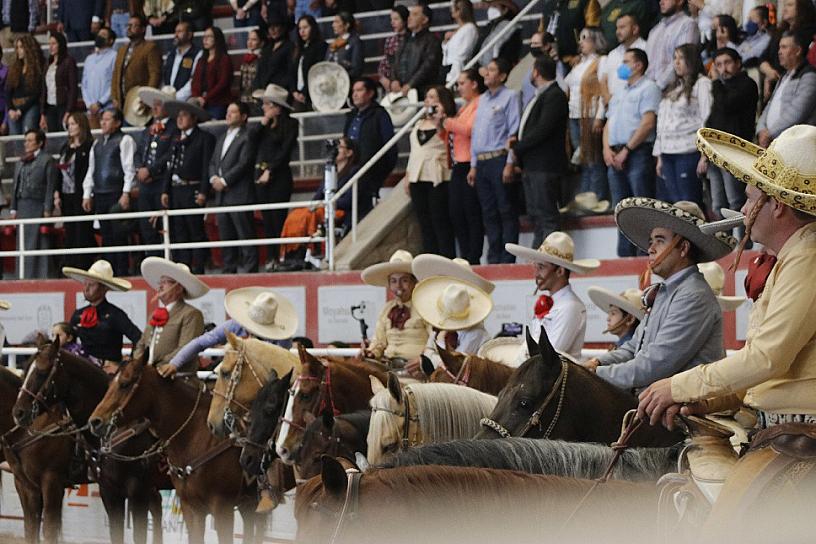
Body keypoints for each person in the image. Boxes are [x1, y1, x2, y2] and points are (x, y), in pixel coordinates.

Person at [640, 124, 816, 435]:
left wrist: (679, 387)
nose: (744, 210)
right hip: (783, 429)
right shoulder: (795, 256)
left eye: (750, 199)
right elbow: (768, 368)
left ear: (777, 206)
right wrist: (708, 400)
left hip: (797, 434)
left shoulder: (807, 257)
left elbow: (767, 359)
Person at [582, 198, 736, 392]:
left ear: (683, 248)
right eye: (651, 241)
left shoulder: (693, 296)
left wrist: (596, 374)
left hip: (686, 411)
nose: (650, 249)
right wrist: (597, 362)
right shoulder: (667, 291)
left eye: (660, 241)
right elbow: (634, 348)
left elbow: (656, 364)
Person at [602, 48, 661, 256]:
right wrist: (606, 149)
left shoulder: (649, 88)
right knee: (620, 210)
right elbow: (608, 122)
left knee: (640, 207)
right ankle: (625, 256)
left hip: (637, 153)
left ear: (638, 65)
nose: (622, 66)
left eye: (626, 62)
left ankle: (645, 254)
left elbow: (647, 123)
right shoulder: (620, 91)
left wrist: (627, 149)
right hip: (615, 153)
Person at [506, 232, 600, 361]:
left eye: (541, 267)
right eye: (536, 267)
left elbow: (549, 355)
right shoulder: (558, 304)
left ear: (560, 271)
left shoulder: (570, 307)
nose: (536, 273)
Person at [163, 287, 297, 378]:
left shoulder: (282, 338)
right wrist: (175, 363)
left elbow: (280, 364)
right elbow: (199, 342)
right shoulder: (235, 325)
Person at [509, 56, 568, 249]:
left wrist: (518, 146)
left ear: (536, 72)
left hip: (545, 165)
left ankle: (551, 257)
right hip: (533, 165)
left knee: (547, 216)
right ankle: (538, 257)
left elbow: (543, 129)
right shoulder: (540, 96)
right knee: (537, 216)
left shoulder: (555, 95)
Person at [468, 57, 521, 264]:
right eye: (486, 70)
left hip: (499, 158)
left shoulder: (510, 97)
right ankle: (494, 257)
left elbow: (513, 131)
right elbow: (476, 134)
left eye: (492, 70)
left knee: (505, 209)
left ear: (502, 75)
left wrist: (510, 162)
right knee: (488, 211)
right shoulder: (482, 100)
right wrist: (473, 165)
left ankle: (507, 258)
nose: (487, 74)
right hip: (481, 162)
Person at [410, 255, 494, 372]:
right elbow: (428, 349)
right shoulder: (442, 324)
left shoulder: (476, 333)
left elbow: (453, 366)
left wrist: (431, 359)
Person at [653, 43, 712, 205]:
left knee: (689, 204)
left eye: (681, 58)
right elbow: (662, 123)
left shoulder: (702, 84)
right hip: (667, 153)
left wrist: (705, 155)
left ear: (692, 60)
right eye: (675, 58)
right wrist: (659, 156)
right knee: (673, 205)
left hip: (688, 151)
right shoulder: (673, 87)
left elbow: (707, 119)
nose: (676, 63)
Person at [161, 99, 215, 274]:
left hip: (193, 188)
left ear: (193, 118)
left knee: (195, 230)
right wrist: (165, 190)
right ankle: (183, 267)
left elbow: (207, 166)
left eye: (184, 115)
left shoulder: (204, 138)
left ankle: (198, 267)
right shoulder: (176, 139)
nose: (179, 119)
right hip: (176, 190)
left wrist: (204, 191)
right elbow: (171, 165)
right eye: (178, 116)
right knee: (179, 230)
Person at [705, 47, 758, 224]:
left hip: (734, 152)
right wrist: (704, 152)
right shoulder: (722, 87)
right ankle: (724, 243)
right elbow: (712, 120)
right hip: (714, 152)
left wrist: (715, 82)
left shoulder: (747, 84)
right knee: (718, 203)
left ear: (738, 63)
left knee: (736, 202)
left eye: (727, 63)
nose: (723, 68)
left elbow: (727, 104)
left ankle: (743, 243)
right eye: (718, 65)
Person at [81, 108, 136, 277]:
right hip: (100, 193)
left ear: (118, 122)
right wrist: (87, 193)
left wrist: (126, 192)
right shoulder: (97, 144)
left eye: (107, 119)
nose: (103, 123)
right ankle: (108, 272)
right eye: (102, 119)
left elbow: (129, 168)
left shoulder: (125, 140)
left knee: (119, 234)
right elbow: (92, 170)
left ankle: (122, 270)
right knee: (106, 235)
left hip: (116, 192)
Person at [438, 68, 484, 265]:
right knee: (456, 212)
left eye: (462, 83)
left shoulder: (479, 103)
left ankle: (473, 256)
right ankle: (465, 254)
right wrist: (441, 125)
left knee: (470, 212)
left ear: (474, 83)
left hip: (469, 163)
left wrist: (447, 122)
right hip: (457, 163)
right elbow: (450, 136)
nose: (458, 88)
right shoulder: (464, 107)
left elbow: (469, 130)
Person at [405, 85, 456, 258]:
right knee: (424, 222)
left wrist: (439, 120)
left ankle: (446, 258)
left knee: (440, 220)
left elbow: (448, 142)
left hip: (438, 175)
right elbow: (414, 152)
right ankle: (430, 259)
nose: (428, 101)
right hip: (417, 176)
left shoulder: (448, 121)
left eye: (433, 97)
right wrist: (407, 176)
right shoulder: (419, 123)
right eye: (427, 97)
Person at [251, 84, 298, 271]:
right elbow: (251, 141)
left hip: (279, 176)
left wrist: (270, 169)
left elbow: (285, 151)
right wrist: (263, 122)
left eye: (267, 104)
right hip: (261, 175)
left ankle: (279, 256)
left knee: (278, 218)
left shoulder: (291, 124)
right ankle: (270, 257)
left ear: (277, 108)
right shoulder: (263, 126)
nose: (263, 107)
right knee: (267, 220)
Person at [135, 256, 208, 372]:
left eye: (165, 282)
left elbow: (185, 348)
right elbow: (142, 343)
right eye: (160, 282)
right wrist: (137, 363)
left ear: (178, 288)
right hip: (150, 374)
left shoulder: (191, 314)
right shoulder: (155, 313)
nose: (160, 286)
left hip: (177, 378)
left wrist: (156, 366)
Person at [64, 259, 142, 369]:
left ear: (104, 288)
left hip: (108, 373)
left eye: (91, 284)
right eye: (85, 283)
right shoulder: (78, 315)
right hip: (83, 370)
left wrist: (128, 363)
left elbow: (138, 339)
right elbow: (68, 342)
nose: (86, 288)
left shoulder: (115, 314)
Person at [209, 101, 258, 273]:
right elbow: (214, 162)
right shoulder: (222, 137)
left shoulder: (248, 135)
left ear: (243, 116)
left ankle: (251, 269)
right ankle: (229, 269)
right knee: (226, 236)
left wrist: (224, 181)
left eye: (233, 112)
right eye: (228, 111)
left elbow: (244, 163)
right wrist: (214, 177)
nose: (228, 114)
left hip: (239, 194)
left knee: (244, 234)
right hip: (221, 197)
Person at [564, 27, 608, 204]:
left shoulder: (601, 61)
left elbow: (603, 89)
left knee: (593, 157)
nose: (581, 42)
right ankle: (586, 196)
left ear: (596, 41)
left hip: (590, 113)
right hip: (575, 114)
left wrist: (599, 116)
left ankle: (597, 195)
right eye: (580, 39)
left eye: (585, 38)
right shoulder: (578, 63)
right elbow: (565, 84)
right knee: (582, 157)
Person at [361, 250, 430, 363]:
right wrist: (371, 352)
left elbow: (435, 341)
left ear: (414, 282)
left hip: (417, 370)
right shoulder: (386, 309)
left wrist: (424, 360)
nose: (398, 286)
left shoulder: (425, 307)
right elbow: (379, 341)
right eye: (393, 281)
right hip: (389, 367)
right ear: (389, 284)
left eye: (404, 280)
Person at [343, 78, 397, 215]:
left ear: (370, 93)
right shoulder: (351, 116)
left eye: (359, 90)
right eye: (353, 91)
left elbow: (390, 146)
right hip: (349, 170)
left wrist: (381, 172)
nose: (354, 94)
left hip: (370, 172)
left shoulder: (380, 114)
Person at [134, 87, 178, 256]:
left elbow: (169, 155)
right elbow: (138, 152)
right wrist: (140, 169)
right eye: (154, 104)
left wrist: (150, 171)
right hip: (145, 185)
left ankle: (167, 260)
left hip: (161, 182)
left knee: (164, 224)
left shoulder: (173, 129)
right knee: (146, 225)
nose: (155, 108)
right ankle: (152, 259)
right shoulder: (148, 129)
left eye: (159, 104)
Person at [756, 31, 816, 148]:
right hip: (773, 143)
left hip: (794, 146)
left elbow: (798, 111)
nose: (779, 52)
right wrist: (761, 130)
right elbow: (769, 105)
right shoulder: (783, 76)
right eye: (779, 47)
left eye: (784, 47)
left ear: (798, 51)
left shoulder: (809, 76)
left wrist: (769, 133)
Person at [10, 129, 56, 279]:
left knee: (39, 242)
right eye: (26, 140)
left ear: (40, 143)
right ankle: (22, 275)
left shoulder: (47, 160)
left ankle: (41, 275)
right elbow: (15, 186)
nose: (26, 144)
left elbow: (50, 186)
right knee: (22, 243)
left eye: (30, 140)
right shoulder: (21, 161)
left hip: (38, 205)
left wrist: (48, 208)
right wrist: (13, 209)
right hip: (22, 206)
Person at [56, 112, 96, 271]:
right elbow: (59, 172)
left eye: (73, 124)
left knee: (82, 230)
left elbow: (89, 171)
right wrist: (56, 193)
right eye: (69, 124)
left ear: (81, 125)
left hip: (81, 195)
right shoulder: (65, 148)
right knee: (70, 230)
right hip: (66, 195)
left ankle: (83, 265)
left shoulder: (89, 146)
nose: (70, 127)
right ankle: (69, 264)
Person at [759, 0, 816, 100]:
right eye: (784, 5)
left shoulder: (809, 32)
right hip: (774, 85)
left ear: (802, 7)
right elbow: (763, 57)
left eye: (789, 5)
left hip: (795, 86)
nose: (784, 9)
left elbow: (801, 62)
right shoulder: (780, 31)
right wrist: (769, 72)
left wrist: (776, 77)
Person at [645, 0, 701, 90]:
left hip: (673, 90)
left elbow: (683, 61)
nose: (661, 2)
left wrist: (657, 87)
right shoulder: (655, 30)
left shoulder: (687, 24)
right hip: (648, 90)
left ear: (680, 1)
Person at [111, 16, 162, 111]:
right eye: (128, 25)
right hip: (122, 102)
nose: (129, 28)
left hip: (139, 101)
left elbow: (155, 74)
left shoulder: (150, 48)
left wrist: (147, 97)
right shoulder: (121, 50)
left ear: (142, 29)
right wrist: (114, 96)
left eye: (133, 25)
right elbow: (116, 74)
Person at [599, 14, 647, 105]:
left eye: (622, 27)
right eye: (617, 28)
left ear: (635, 29)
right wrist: (607, 98)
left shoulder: (646, 49)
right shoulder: (613, 53)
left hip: (634, 105)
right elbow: (603, 80)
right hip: (610, 108)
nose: (617, 32)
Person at [191, 26, 233, 120]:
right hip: (201, 103)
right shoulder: (201, 60)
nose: (205, 39)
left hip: (218, 102)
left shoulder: (224, 59)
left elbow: (223, 83)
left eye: (209, 36)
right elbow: (195, 81)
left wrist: (205, 98)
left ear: (217, 39)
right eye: (204, 36)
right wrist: (197, 97)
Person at [5, 34, 44, 135]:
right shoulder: (15, 68)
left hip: (30, 105)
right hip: (14, 106)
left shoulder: (38, 68)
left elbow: (36, 93)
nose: (19, 50)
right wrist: (10, 109)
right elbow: (7, 91)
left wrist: (20, 110)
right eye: (17, 47)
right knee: (15, 137)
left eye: (21, 47)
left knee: (28, 131)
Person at [39, 32, 77, 133]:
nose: (51, 47)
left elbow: (73, 88)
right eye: (49, 44)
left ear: (60, 44)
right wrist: (43, 113)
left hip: (63, 105)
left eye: (54, 44)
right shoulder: (48, 63)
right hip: (50, 106)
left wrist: (68, 110)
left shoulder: (69, 61)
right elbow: (44, 88)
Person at [81, 26, 117, 130]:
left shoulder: (114, 56)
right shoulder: (89, 59)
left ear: (111, 40)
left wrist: (100, 103)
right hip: (91, 109)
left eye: (103, 35)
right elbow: (84, 84)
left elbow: (114, 82)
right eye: (99, 34)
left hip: (107, 107)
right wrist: (89, 104)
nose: (99, 37)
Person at [292, 15, 328, 111]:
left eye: (305, 27)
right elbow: (292, 72)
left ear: (313, 28)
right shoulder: (299, 49)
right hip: (298, 95)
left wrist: (305, 92)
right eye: (300, 28)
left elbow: (317, 71)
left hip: (314, 93)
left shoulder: (321, 46)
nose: (302, 31)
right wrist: (294, 91)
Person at [162, 21, 202, 104]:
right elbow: (165, 77)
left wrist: (176, 97)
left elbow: (193, 80)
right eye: (175, 32)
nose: (176, 35)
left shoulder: (197, 54)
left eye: (180, 32)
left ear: (189, 34)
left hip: (186, 101)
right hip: (168, 99)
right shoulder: (171, 54)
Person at [254, 12, 295, 91]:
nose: (272, 29)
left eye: (276, 26)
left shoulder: (289, 47)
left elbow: (290, 72)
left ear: (283, 27)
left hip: (279, 92)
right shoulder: (266, 49)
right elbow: (260, 71)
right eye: (269, 26)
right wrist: (257, 88)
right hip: (263, 92)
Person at [475, 0, 521, 68]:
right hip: (481, 66)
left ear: (505, 9)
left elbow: (505, 54)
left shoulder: (510, 28)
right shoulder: (490, 26)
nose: (491, 9)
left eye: (495, 6)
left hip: (496, 68)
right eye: (490, 6)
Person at [443, 0, 478, 86]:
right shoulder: (458, 30)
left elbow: (462, 54)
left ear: (461, 10)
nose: (452, 10)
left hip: (457, 73)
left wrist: (453, 75)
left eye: (455, 8)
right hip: (448, 71)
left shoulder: (470, 28)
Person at [377, 6, 408, 92]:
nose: (392, 22)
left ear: (405, 20)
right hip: (390, 82)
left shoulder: (412, 39)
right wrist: (383, 77)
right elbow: (385, 61)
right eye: (391, 19)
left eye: (396, 19)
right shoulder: (390, 40)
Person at [325, 11, 363, 80]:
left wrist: (341, 78)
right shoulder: (333, 43)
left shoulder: (355, 42)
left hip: (348, 82)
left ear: (347, 25)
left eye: (337, 22)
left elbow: (356, 68)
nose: (333, 25)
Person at [239, 28, 265, 115]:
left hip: (257, 100)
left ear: (261, 42)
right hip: (244, 99)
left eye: (254, 39)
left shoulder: (263, 58)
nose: (250, 42)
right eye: (248, 39)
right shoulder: (245, 58)